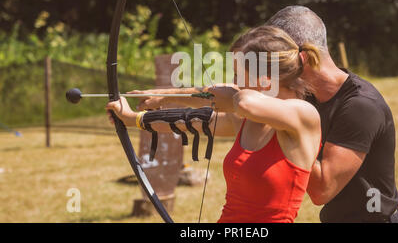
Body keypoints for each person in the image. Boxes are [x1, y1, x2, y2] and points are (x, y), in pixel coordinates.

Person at [106, 25, 322, 223]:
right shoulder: (246, 119)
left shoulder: (303, 115)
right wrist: (133, 117)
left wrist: (228, 96)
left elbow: (244, 101)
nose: (235, 82)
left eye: (239, 74)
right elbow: (192, 121)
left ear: (264, 78)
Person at [265, 5, 398, 222]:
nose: (271, 71)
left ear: (302, 58)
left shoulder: (361, 107)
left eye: (275, 60)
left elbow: (323, 189)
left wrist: (286, 127)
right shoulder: (307, 94)